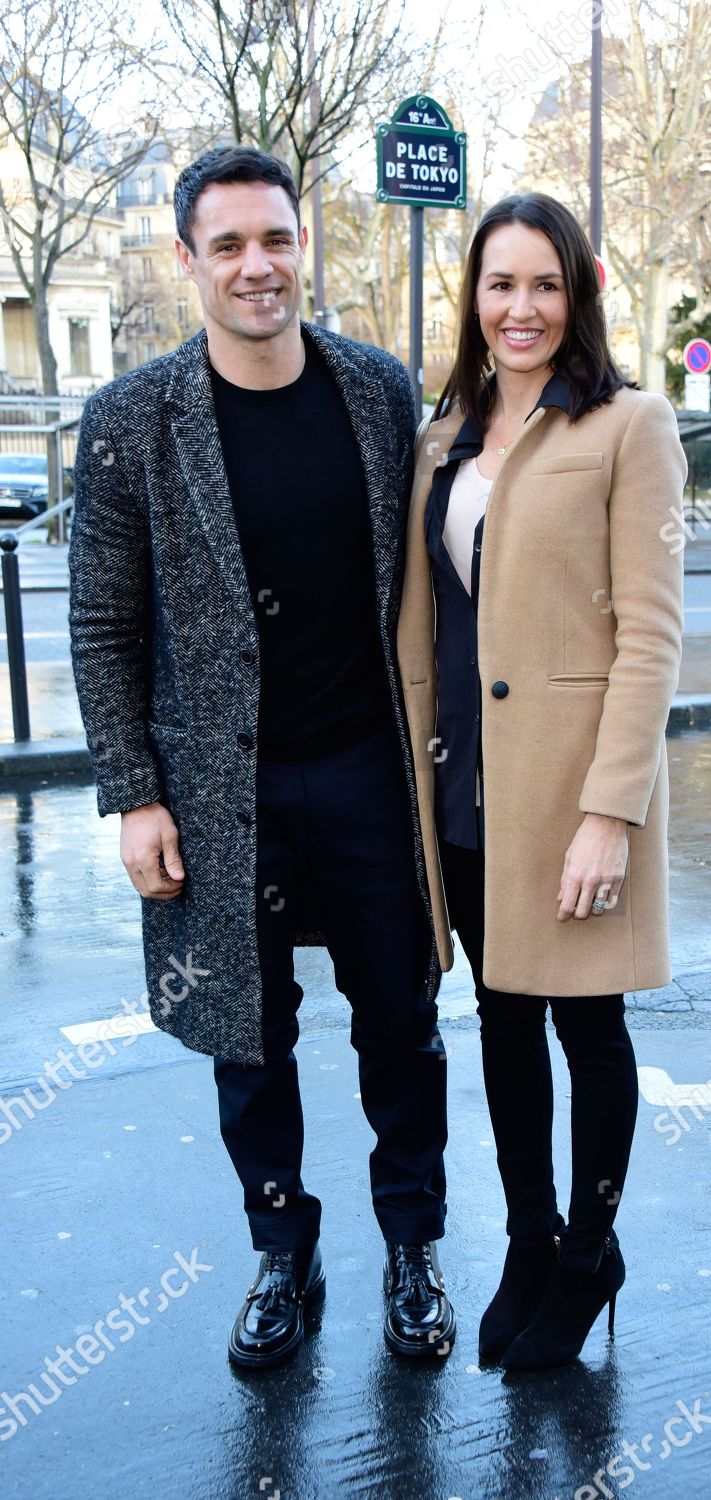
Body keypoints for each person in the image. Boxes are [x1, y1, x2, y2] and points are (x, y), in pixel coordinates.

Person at [68, 145, 455, 1370]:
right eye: (227, 244)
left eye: (275, 239)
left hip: (366, 771)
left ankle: (412, 1247)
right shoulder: (133, 421)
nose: (255, 265)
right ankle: (281, 1252)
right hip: (217, 788)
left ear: (305, 246)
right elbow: (101, 620)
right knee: (250, 1037)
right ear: (186, 262)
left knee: (400, 1020)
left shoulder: (376, 389)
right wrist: (134, 794)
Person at [396, 192, 687, 1370]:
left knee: (587, 1028)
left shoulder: (628, 425)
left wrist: (608, 813)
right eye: (500, 283)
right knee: (502, 1024)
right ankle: (528, 1238)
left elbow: (652, 638)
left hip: (572, 799)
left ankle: (588, 1252)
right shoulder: (443, 433)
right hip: (467, 791)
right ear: (474, 297)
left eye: (545, 284)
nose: (521, 308)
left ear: (580, 296)